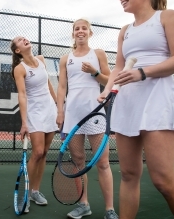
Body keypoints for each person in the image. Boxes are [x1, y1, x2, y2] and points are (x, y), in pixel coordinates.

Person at [98, 0, 174, 219]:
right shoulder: (124, 31)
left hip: (157, 100)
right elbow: (118, 68)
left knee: (164, 181)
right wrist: (106, 90)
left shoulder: (167, 17)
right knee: (128, 175)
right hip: (127, 102)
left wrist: (142, 73)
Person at [56, 18, 118, 219]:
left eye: (84, 28)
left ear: (90, 33)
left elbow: (109, 80)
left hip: (96, 114)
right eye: (77, 28)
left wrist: (95, 72)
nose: (80, 31)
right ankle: (84, 204)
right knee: (78, 162)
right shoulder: (65, 58)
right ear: (73, 33)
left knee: (103, 163)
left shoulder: (98, 53)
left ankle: (109, 209)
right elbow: (62, 87)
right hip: (73, 116)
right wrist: (60, 111)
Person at [11, 36, 57, 213]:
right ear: (17, 50)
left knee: (44, 152)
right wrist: (24, 122)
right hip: (35, 112)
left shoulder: (41, 59)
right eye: (20, 41)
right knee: (37, 152)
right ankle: (26, 194)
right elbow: (22, 95)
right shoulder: (19, 69)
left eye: (25, 38)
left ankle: (35, 191)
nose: (25, 40)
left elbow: (48, 85)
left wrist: (59, 107)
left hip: (50, 110)